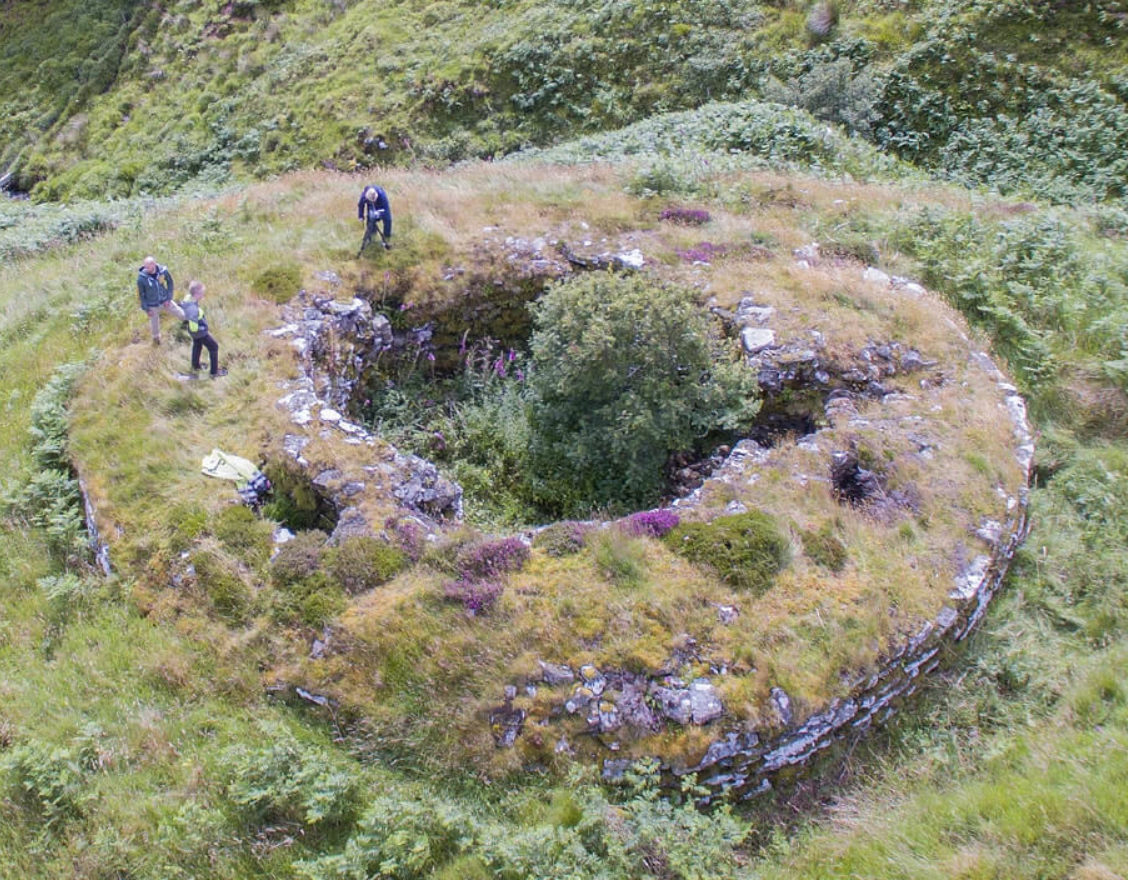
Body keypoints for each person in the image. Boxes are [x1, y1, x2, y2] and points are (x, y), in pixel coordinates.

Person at [180, 280, 227, 378]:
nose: (203, 295)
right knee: (214, 346)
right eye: (202, 293)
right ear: (196, 294)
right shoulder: (192, 308)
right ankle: (214, 373)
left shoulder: (189, 300)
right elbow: (193, 324)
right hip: (199, 332)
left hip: (194, 332)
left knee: (197, 345)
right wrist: (201, 329)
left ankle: (195, 366)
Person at [137, 256, 186, 344]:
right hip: (152, 305)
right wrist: (147, 309)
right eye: (145, 267)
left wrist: (168, 298)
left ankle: (187, 324)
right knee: (154, 325)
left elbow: (170, 283)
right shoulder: (141, 279)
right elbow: (141, 295)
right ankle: (156, 340)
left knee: (180, 313)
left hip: (165, 300)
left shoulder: (163, 271)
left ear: (154, 264)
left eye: (148, 267)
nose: (146, 269)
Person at [357, 184, 392, 256]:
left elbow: (386, 210)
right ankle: (371, 239)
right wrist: (361, 216)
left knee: (388, 220)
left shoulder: (382, 196)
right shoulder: (364, 196)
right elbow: (361, 205)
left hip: (380, 205)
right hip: (371, 206)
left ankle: (386, 238)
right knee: (370, 220)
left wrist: (379, 213)